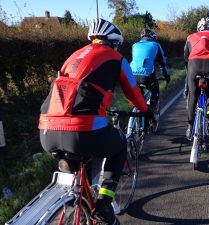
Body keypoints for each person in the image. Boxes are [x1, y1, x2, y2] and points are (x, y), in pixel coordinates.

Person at [38, 18, 152, 225]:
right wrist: (146, 111)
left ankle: (81, 205)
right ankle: (104, 204)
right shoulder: (116, 58)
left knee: (81, 166)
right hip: (82, 131)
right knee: (118, 145)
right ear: (114, 42)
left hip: (47, 131)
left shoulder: (72, 57)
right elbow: (133, 93)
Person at [130, 28, 170, 115]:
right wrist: (166, 76)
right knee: (155, 91)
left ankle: (138, 112)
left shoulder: (134, 45)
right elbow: (162, 63)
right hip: (146, 77)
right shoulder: (155, 45)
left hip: (132, 76)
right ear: (152, 37)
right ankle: (151, 113)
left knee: (139, 94)